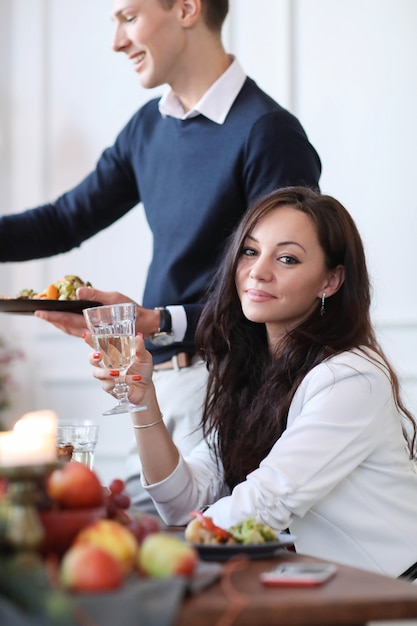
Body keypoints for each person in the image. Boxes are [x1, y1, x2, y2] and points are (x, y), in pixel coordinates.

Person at [0, 0, 321, 512]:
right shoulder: (148, 129)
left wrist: (157, 321)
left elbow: (288, 295)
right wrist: (151, 332)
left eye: (128, 17)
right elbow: (65, 220)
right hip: (150, 384)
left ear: (188, 9)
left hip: (226, 390)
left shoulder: (268, 134)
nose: (117, 40)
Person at [90, 186, 417, 578]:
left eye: (287, 258)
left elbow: (266, 502)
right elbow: (182, 503)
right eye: (250, 251)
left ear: (330, 281)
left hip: (389, 598)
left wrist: (149, 545)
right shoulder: (250, 371)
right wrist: (143, 402)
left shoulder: (352, 378)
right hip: (314, 591)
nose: (258, 271)